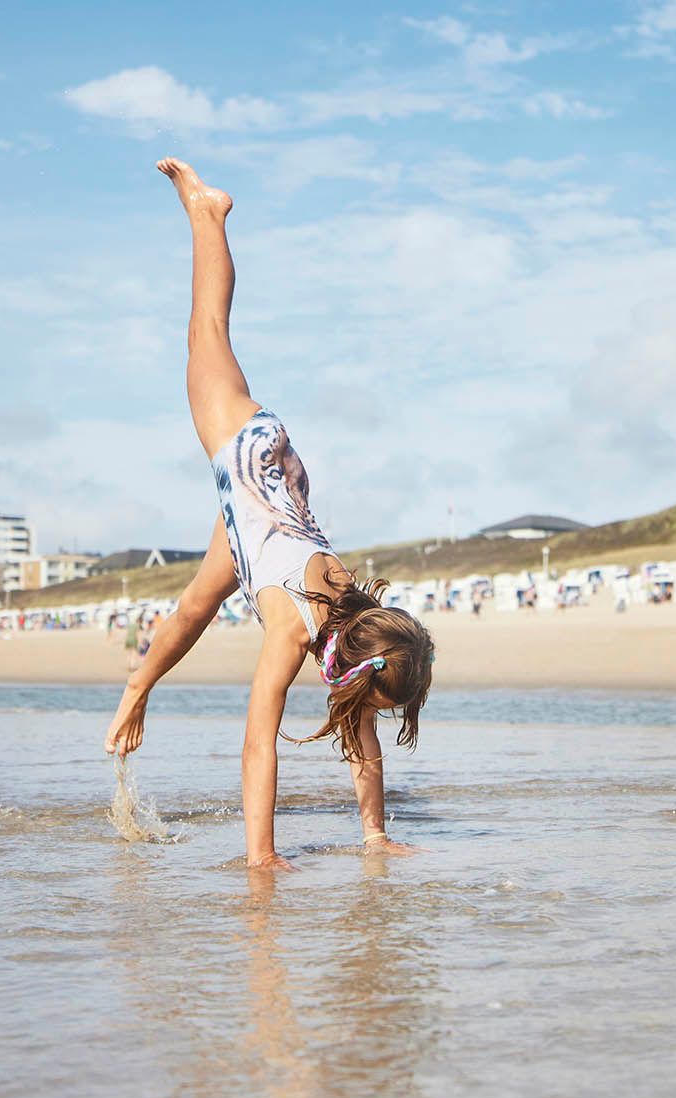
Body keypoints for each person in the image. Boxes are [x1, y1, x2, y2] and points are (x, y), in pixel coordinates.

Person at [104, 159, 436, 870]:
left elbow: (361, 733)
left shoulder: (353, 617)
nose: (365, 718)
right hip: (248, 457)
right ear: (352, 666)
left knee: (195, 608)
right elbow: (259, 738)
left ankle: (137, 688)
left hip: (275, 498)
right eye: (371, 700)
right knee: (207, 330)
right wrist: (262, 858)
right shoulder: (290, 629)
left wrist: (373, 836)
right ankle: (209, 213)